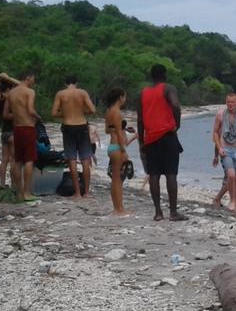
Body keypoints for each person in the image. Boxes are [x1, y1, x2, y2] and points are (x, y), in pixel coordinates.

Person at [136, 64, 186, 221]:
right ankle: (173, 212)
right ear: (164, 75)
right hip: (167, 136)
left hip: (150, 138)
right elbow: (176, 105)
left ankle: (158, 212)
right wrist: (176, 124)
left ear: (151, 76)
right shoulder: (168, 88)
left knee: (154, 175)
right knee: (171, 174)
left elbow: (140, 119)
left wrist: (142, 142)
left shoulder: (142, 93)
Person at [51, 76, 96, 199]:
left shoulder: (60, 94)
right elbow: (92, 109)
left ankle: (77, 193)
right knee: (85, 159)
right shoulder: (82, 93)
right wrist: (81, 111)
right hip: (82, 125)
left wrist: (65, 112)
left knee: (71, 159)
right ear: (77, 83)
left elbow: (54, 113)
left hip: (68, 126)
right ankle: (86, 192)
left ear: (65, 83)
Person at [2, 71, 38, 202]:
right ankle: (27, 192)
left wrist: (18, 114)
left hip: (16, 128)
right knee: (29, 160)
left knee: (17, 160)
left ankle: (19, 193)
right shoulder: (30, 92)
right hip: (28, 127)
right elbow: (30, 109)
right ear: (28, 77)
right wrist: (38, 117)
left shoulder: (11, 93)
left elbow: (5, 115)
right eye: (33, 78)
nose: (34, 81)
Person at [103, 88, 133, 216]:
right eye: (124, 97)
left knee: (115, 179)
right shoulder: (117, 113)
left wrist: (122, 128)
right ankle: (120, 209)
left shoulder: (108, 111)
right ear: (120, 97)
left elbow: (107, 130)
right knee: (118, 180)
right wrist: (123, 150)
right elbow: (120, 135)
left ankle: (116, 208)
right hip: (117, 148)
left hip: (111, 146)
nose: (125, 99)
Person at [0, 73, 19, 189]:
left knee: (4, 160)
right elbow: (22, 86)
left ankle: (2, 184)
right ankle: (14, 185)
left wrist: (0, 80)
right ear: (8, 90)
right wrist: (8, 78)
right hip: (13, 132)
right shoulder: (11, 101)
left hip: (4, 132)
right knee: (14, 160)